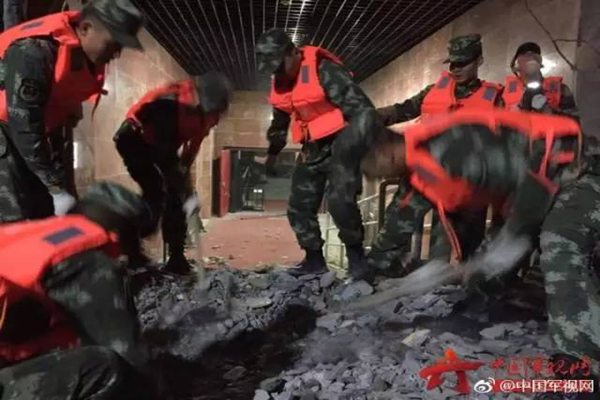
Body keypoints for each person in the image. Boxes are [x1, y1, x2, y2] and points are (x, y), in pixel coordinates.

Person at [360, 109, 600, 384]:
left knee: (559, 246)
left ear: (386, 154)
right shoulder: (419, 170)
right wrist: (435, 266)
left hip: (578, 172)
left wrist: (508, 245)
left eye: (375, 174)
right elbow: (427, 218)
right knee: (484, 270)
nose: (379, 180)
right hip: (527, 193)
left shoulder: (454, 149)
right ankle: (488, 312)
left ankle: (582, 363)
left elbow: (538, 177)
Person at [0, 181, 160, 400]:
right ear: (121, 236)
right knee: (104, 367)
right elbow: (125, 352)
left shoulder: (25, 235)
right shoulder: (86, 262)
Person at [369, 34, 503, 277]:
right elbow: (402, 109)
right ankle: (376, 276)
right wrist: (368, 116)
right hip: (423, 175)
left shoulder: (495, 99)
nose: (455, 69)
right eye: (452, 63)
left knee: (460, 243)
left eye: (462, 63)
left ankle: (451, 287)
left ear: (479, 61)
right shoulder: (433, 91)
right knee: (394, 228)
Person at [0, 0, 144, 223]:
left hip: (27, 137)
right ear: (86, 29)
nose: (116, 54)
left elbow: (55, 120)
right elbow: (24, 123)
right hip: (8, 131)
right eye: (113, 43)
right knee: (14, 222)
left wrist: (56, 182)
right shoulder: (34, 51)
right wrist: (54, 186)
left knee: (43, 218)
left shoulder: (85, 57)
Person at [256, 27, 381, 280]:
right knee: (298, 206)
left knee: (339, 202)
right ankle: (314, 261)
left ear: (293, 52)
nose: (277, 74)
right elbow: (279, 123)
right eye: (272, 70)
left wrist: (368, 148)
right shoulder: (281, 81)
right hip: (312, 148)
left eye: (279, 66)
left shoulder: (325, 71)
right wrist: (272, 153)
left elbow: (362, 110)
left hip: (342, 143)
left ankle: (357, 261)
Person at [114, 72, 232, 275]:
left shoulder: (207, 114)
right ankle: (130, 248)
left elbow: (190, 151)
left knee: (175, 198)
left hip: (162, 145)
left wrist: (187, 185)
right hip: (135, 141)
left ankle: (176, 258)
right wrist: (183, 187)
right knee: (156, 193)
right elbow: (166, 155)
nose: (217, 117)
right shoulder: (169, 102)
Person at [503, 42, 579, 121]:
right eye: (524, 53)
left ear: (541, 64)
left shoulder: (561, 90)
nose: (530, 54)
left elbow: (575, 122)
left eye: (534, 53)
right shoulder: (503, 94)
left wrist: (550, 112)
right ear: (515, 67)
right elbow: (496, 125)